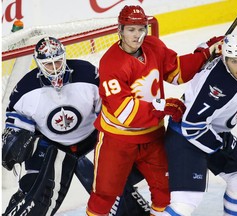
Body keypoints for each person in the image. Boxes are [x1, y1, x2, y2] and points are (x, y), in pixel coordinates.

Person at [86, 5, 225, 216]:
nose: (137, 35)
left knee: (165, 192)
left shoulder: (154, 46)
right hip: (118, 140)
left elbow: (176, 71)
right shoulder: (111, 63)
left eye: (140, 29)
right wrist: (163, 107)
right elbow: (125, 113)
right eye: (131, 29)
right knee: (104, 196)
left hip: (153, 136)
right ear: (120, 30)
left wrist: (206, 53)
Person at [2, 36, 153, 216]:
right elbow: (17, 122)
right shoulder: (25, 89)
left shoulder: (87, 74)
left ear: (64, 57)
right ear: (39, 64)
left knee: (114, 183)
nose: (55, 68)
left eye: (58, 62)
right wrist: (13, 138)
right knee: (33, 194)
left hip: (91, 140)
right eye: (49, 64)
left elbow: (109, 111)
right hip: (49, 146)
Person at [163, 33, 237, 215]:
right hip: (185, 137)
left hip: (211, 131)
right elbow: (192, 126)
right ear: (224, 59)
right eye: (234, 61)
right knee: (186, 202)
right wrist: (223, 146)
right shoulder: (216, 87)